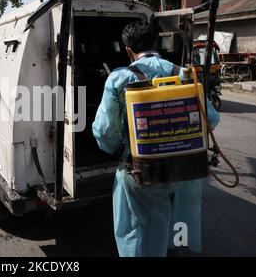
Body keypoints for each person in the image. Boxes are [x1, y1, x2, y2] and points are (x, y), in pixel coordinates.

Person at [92, 21, 220, 257]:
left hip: (144, 171)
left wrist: (118, 148)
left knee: (137, 233)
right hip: (185, 171)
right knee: (177, 229)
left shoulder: (119, 79)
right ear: (156, 43)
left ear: (128, 49)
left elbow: (104, 132)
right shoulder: (183, 74)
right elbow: (211, 119)